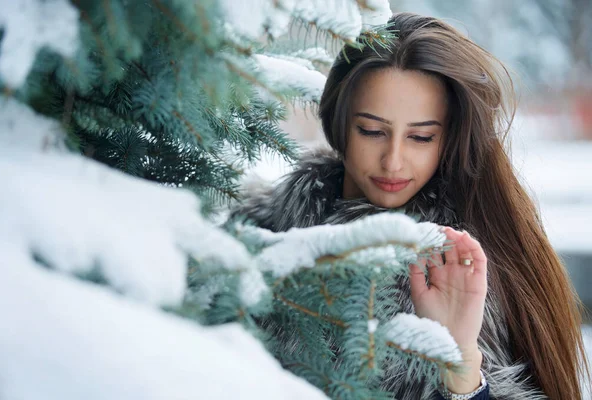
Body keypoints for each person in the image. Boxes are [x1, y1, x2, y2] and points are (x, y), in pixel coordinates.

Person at [232, 12, 590, 399]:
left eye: (420, 137)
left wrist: (463, 369)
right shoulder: (253, 235)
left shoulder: (468, 265)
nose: (393, 161)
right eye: (371, 131)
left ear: (448, 140)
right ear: (338, 122)